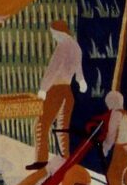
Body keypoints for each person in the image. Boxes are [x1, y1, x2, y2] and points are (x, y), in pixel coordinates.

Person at [32, 19, 86, 170]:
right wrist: (81, 81)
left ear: (59, 32)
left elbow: (53, 69)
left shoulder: (62, 46)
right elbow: (79, 69)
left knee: (41, 125)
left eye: (53, 33)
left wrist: (43, 89)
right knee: (62, 128)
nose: (53, 36)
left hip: (55, 90)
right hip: (67, 91)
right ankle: (65, 160)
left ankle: (41, 160)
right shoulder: (76, 47)